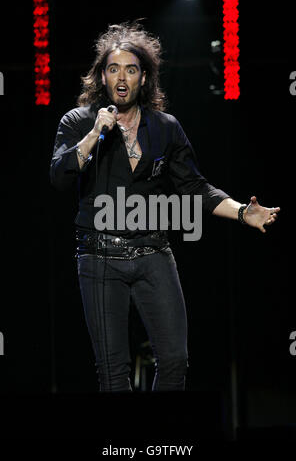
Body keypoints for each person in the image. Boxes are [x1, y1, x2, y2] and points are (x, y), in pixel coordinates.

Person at [50, 21, 280, 392]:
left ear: (144, 78)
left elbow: (195, 187)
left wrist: (241, 211)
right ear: (102, 77)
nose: (122, 77)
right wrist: (95, 135)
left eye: (131, 69)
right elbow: (59, 177)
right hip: (99, 258)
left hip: (154, 253)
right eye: (113, 69)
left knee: (174, 361)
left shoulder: (165, 127)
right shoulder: (79, 122)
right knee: (113, 372)